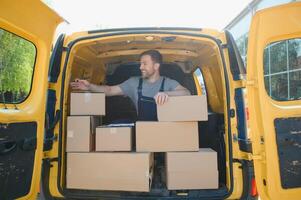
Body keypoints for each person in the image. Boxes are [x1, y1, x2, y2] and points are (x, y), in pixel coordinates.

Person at [70, 49, 190, 121]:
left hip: (166, 134)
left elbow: (186, 93)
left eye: (144, 64)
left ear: (156, 66)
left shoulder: (168, 83)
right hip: (143, 135)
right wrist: (89, 86)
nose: (140, 67)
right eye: (140, 64)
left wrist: (167, 94)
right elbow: (110, 90)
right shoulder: (134, 83)